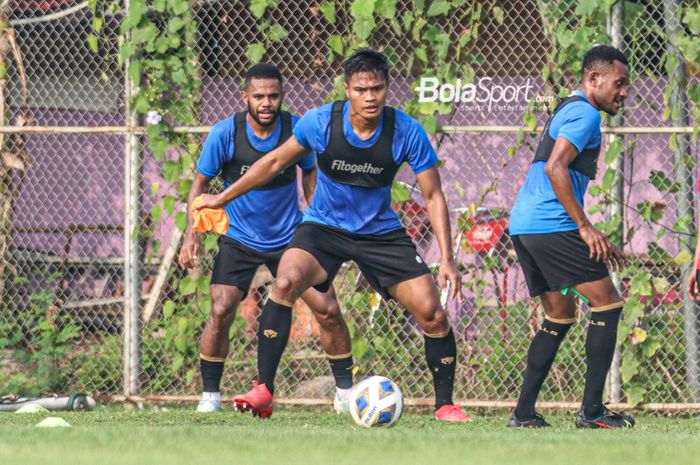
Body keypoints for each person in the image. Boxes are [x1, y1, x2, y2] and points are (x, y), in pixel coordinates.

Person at [196, 48, 470, 422]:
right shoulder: (321, 122)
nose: (370, 97)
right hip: (323, 228)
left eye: (377, 88)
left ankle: (445, 405)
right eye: (361, 89)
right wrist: (221, 197)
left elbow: (433, 195)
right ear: (347, 90)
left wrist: (448, 260)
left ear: (388, 88)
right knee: (287, 280)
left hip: (380, 232)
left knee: (432, 313)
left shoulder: (405, 130)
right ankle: (264, 389)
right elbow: (275, 161)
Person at [179, 63, 354, 416]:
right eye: (258, 96)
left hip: (289, 237)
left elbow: (310, 175)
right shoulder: (225, 133)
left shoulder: (295, 131)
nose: (266, 102)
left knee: (328, 309)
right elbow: (200, 185)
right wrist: (191, 235)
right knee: (221, 307)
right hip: (239, 236)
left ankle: (346, 392)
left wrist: (319, 226)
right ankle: (210, 395)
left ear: (282, 97)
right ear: (245, 97)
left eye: (273, 96)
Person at [506, 45, 634, 428]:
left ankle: (524, 414)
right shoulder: (585, 113)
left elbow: (556, 174)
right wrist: (584, 226)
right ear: (594, 79)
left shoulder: (568, 107)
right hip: (551, 225)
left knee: (558, 316)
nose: (624, 92)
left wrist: (585, 227)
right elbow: (555, 169)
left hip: (526, 225)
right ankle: (592, 412)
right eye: (619, 83)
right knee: (608, 303)